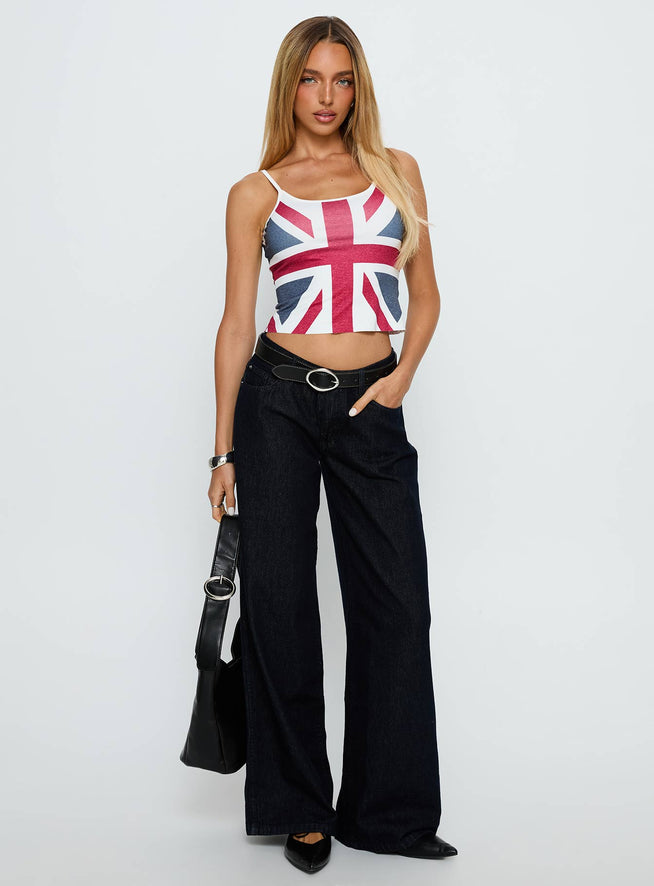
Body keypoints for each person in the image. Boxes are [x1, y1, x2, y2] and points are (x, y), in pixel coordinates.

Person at [207, 15, 458, 874]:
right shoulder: (257, 192)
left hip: (370, 399)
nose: (326, 96)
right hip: (276, 401)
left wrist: (402, 376)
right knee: (279, 605)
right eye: (311, 79)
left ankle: (389, 814)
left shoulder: (396, 173)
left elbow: (426, 295)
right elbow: (236, 324)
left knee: (398, 604)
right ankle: (300, 809)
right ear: (290, 86)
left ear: (359, 88)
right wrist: (222, 452)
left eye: (342, 79)